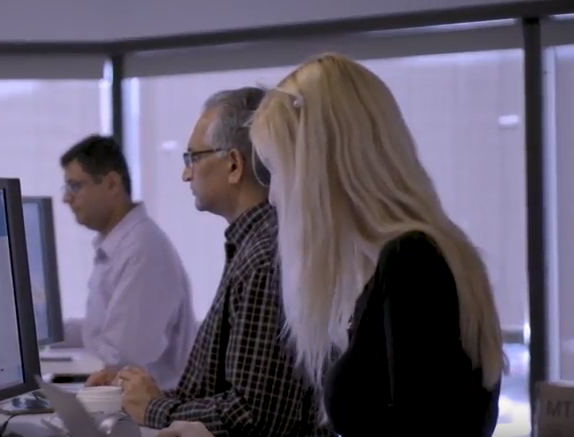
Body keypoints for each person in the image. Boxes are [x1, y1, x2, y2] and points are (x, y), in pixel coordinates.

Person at [248, 53, 505, 436]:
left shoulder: (412, 263)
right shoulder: (410, 260)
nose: (273, 197)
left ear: (322, 168)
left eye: (280, 171)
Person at [117, 88, 330, 437]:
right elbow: (219, 392)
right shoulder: (252, 244)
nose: (186, 175)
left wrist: (155, 409)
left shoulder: (265, 259)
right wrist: (142, 397)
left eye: (193, 158)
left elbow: (256, 416)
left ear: (234, 164)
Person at [60, 134, 197, 390]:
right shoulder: (121, 244)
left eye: (75, 186)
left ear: (112, 184)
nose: (66, 199)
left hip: (149, 413)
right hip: (131, 400)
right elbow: (101, 330)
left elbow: (123, 359)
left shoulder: (142, 251)